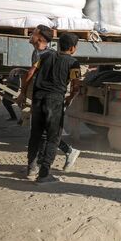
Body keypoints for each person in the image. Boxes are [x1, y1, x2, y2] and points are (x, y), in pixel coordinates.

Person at [17, 25, 80, 174]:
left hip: (38, 99)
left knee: (36, 135)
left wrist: (23, 93)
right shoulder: (74, 63)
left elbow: (29, 74)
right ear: (72, 48)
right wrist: (70, 97)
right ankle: (44, 174)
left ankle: (31, 168)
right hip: (55, 102)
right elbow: (76, 85)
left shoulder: (44, 57)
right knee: (53, 137)